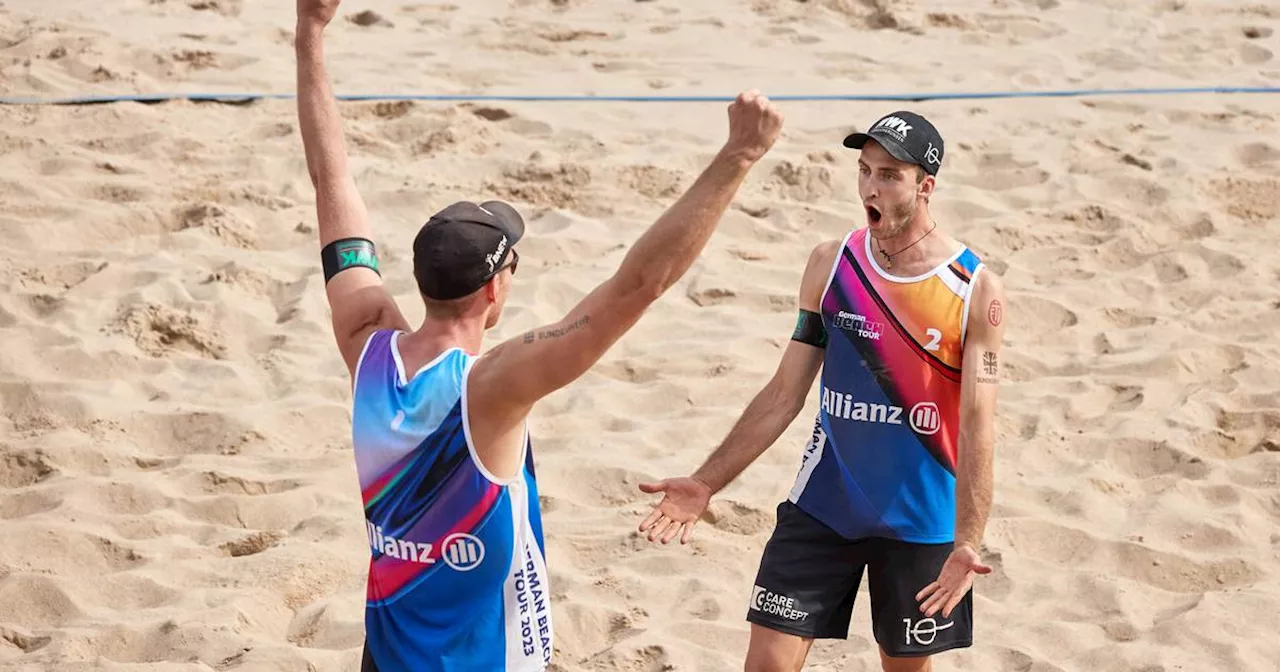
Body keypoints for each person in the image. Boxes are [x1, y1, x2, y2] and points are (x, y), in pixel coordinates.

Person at [292, 1, 784, 670]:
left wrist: (310, 32)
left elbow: (332, 179)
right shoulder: (492, 386)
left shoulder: (366, 340)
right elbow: (638, 286)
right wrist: (739, 156)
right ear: (496, 288)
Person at [637, 110, 1007, 672]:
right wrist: (705, 482)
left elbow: (979, 423)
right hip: (824, 504)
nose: (870, 187)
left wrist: (968, 537)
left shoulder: (972, 288)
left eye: (888, 175)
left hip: (918, 519)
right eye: (864, 171)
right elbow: (785, 392)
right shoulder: (832, 264)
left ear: (925, 186)